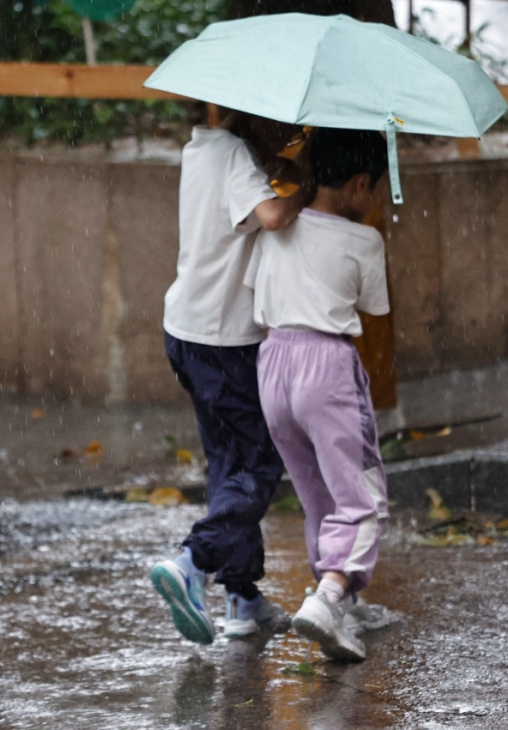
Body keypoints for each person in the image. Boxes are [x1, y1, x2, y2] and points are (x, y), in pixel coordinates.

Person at [151, 109, 311, 645]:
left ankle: (241, 594)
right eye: (280, 124)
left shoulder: (200, 149)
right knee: (259, 461)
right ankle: (192, 561)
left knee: (229, 463)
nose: (283, 133)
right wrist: (304, 190)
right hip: (224, 342)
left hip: (187, 331)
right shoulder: (234, 154)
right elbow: (271, 216)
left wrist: (271, 168)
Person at [245, 128, 391, 662]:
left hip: (272, 364)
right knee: (362, 496)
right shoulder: (365, 240)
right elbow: (374, 307)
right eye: (377, 188)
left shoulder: (277, 227)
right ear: (360, 184)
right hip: (326, 366)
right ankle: (330, 596)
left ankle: (337, 600)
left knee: (317, 496)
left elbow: (255, 289)